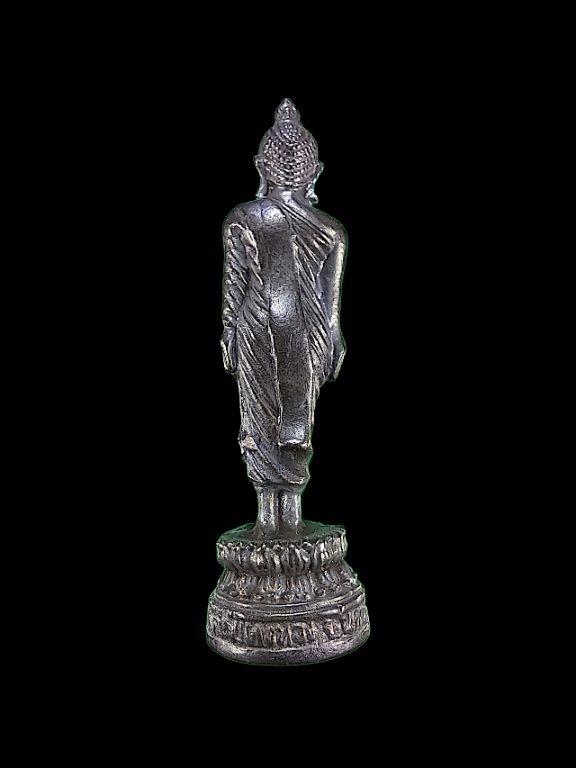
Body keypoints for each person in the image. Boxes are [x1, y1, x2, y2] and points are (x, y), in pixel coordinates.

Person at [221, 99, 347, 535]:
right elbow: (331, 315)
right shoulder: (331, 231)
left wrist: (228, 333)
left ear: (262, 168)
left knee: (262, 421)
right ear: (315, 173)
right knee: (288, 421)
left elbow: (233, 290)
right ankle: (282, 518)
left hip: (255, 328)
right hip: (303, 335)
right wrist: (333, 341)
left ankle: (276, 520)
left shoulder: (243, 217)